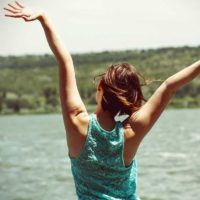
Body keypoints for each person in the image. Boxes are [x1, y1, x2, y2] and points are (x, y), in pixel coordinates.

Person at [4, 2, 200, 200]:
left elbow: (65, 61)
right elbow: (169, 85)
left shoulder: (77, 122)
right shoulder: (132, 131)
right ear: (129, 98)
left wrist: (44, 18)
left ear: (100, 89)